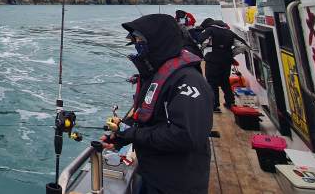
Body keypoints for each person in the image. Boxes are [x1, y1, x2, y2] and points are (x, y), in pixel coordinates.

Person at [101, 14, 214, 194]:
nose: (137, 43)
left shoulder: (188, 80)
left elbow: (186, 135)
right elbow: (151, 115)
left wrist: (135, 134)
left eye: (140, 39)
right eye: (136, 39)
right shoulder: (156, 73)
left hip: (178, 183)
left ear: (158, 40)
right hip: (153, 175)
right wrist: (123, 137)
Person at [197, 18, 249, 113]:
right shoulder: (229, 32)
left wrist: (203, 49)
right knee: (225, 81)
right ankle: (231, 102)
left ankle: (215, 105)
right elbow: (243, 45)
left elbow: (203, 42)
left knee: (212, 82)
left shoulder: (209, 30)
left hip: (212, 60)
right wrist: (230, 53)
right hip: (226, 60)